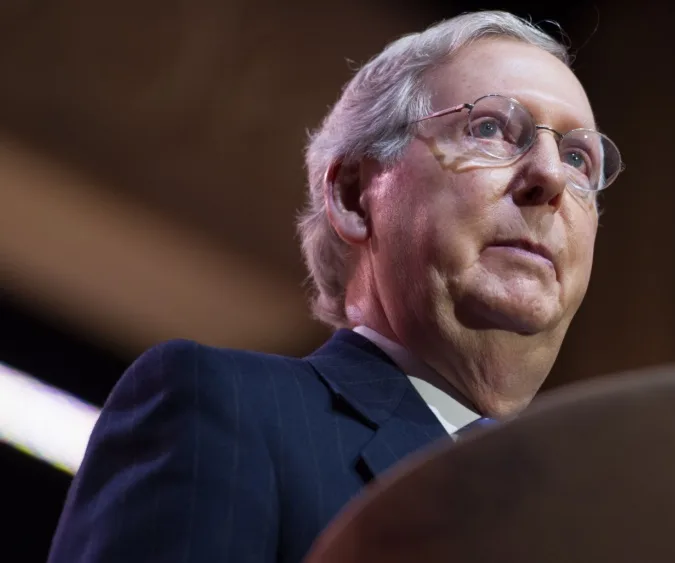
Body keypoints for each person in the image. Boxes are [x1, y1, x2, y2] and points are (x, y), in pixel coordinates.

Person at [47, 10, 623, 563]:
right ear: (353, 195)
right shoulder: (223, 410)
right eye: (491, 128)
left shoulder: (603, 527)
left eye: (578, 158)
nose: (549, 176)